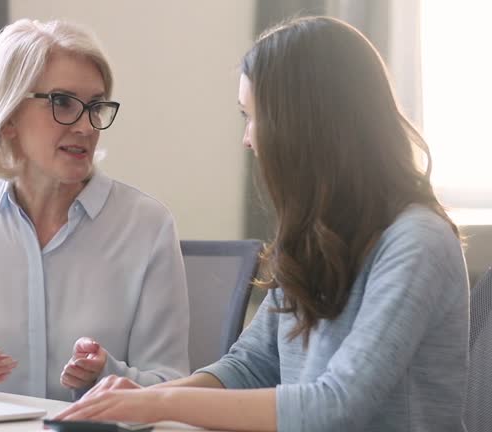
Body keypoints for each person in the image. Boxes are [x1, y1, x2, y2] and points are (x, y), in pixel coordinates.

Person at [55, 16, 469, 431]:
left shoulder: (418, 241)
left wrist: (161, 403)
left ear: (304, 125)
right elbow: (249, 366)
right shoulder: (315, 236)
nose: (248, 139)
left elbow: (336, 406)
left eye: (253, 117)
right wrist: (143, 399)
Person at [0, 18, 190, 402]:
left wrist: (106, 374)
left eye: (95, 106)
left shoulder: (147, 225)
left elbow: (169, 386)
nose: (85, 127)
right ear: (9, 114)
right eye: (62, 102)